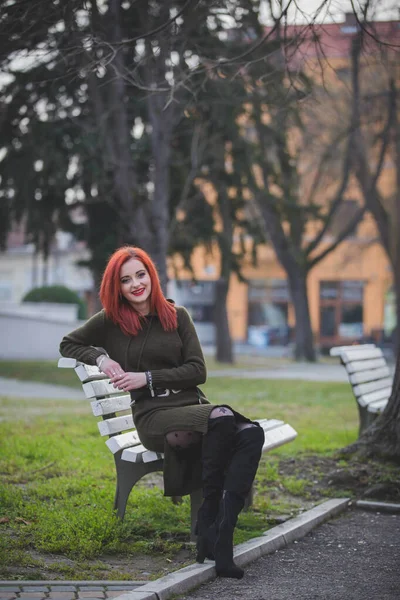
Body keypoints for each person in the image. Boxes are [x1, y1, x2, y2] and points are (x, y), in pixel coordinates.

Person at [59, 246, 264, 579]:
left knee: (251, 432)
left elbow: (198, 371)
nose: (136, 284)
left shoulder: (177, 315)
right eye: (126, 280)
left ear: (151, 275)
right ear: (117, 287)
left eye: (141, 275)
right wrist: (101, 358)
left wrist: (147, 377)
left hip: (189, 405)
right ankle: (209, 523)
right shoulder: (110, 321)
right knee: (223, 419)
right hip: (152, 416)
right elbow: (68, 343)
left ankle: (220, 531)